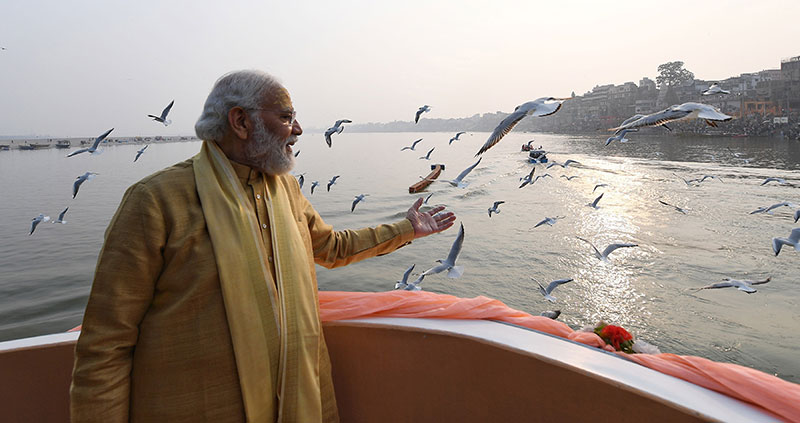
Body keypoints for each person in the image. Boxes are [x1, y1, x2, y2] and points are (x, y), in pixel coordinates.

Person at [70, 70, 456, 422]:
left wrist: (407, 229)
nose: (299, 129)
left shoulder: (285, 188)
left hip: (299, 401)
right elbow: (106, 344)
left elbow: (331, 247)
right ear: (240, 121)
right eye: (287, 117)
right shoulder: (155, 201)